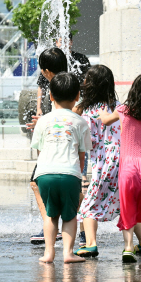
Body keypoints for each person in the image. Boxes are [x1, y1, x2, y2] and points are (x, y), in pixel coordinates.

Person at [99, 72, 141, 262]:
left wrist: (101, 111)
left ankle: (129, 248)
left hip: (128, 167)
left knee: (128, 209)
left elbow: (105, 121)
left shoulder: (123, 110)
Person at [30, 72, 90, 263]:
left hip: (44, 174)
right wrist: (79, 175)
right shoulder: (80, 122)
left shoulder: (42, 121)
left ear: (50, 96)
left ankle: (48, 253)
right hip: (69, 173)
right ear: (78, 96)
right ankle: (68, 253)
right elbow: (82, 155)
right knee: (70, 216)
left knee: (50, 214)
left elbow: (39, 151)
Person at [73, 65, 121, 258]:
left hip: (104, 164)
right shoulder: (116, 104)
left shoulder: (86, 109)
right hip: (122, 159)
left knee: (87, 207)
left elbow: (85, 139)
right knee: (123, 204)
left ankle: (91, 244)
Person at [29, 47, 69, 245]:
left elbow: (61, 115)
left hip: (56, 143)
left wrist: (42, 123)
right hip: (67, 143)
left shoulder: (57, 86)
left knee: (37, 182)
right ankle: (68, 229)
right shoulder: (69, 81)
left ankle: (49, 226)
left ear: (46, 70)